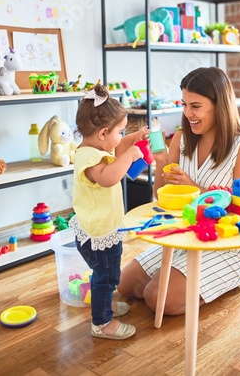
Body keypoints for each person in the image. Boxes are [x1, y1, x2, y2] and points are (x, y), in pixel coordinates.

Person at [118, 67, 240, 315]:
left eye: (195, 106)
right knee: (124, 284)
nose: (187, 113)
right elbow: (160, 197)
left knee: (157, 298)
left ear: (219, 105)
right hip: (186, 237)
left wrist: (194, 188)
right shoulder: (183, 138)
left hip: (226, 244)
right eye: (184, 104)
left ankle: (228, 279)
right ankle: (175, 279)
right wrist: (160, 163)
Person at [70, 82, 149, 339]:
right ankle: (102, 323)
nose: (121, 137)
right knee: (107, 277)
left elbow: (116, 147)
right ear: (103, 133)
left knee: (104, 275)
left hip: (96, 227)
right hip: (99, 233)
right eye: (120, 131)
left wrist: (132, 139)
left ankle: (106, 305)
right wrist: (130, 156)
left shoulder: (92, 148)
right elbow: (109, 177)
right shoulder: (93, 160)